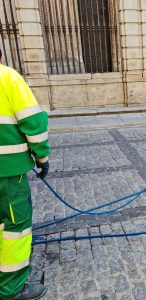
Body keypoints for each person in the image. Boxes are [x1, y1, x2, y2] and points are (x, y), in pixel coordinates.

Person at [0, 49, 50, 299]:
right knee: (14, 228)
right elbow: (34, 123)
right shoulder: (7, 78)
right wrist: (42, 158)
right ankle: (11, 288)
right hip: (7, 174)